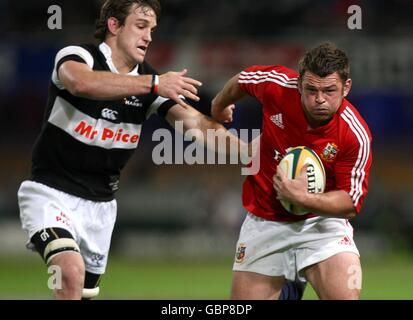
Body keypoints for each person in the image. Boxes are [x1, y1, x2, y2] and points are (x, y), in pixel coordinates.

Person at [17, 0, 247, 300]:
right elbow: (79, 83)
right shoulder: (80, 56)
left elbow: (195, 124)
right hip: (50, 194)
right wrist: (153, 84)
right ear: (114, 26)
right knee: (69, 272)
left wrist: (251, 151)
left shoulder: (149, 83)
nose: (149, 37)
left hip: (101, 208)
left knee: (77, 292)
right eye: (140, 26)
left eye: (152, 29)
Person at [211, 42, 372, 300]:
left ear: (346, 87)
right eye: (311, 90)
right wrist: (219, 104)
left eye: (330, 90)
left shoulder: (354, 135)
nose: (320, 99)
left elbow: (351, 202)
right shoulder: (276, 85)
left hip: (321, 225)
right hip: (265, 220)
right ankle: (289, 287)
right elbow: (243, 79)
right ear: (299, 85)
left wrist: (303, 198)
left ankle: (290, 283)